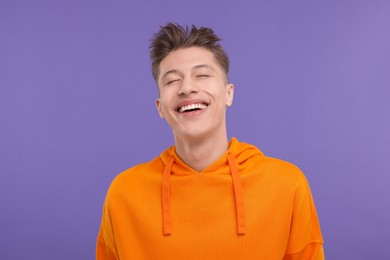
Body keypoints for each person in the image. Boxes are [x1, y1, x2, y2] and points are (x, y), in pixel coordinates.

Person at [96, 23, 324, 259]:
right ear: (160, 107)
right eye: (172, 80)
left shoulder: (286, 184)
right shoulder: (124, 193)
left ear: (228, 93)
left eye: (202, 75)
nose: (187, 88)